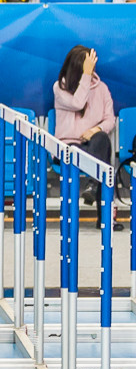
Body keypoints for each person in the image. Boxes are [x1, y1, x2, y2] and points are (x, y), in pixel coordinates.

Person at [54, 45, 123, 231]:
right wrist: (86, 75)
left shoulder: (102, 89)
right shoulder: (60, 87)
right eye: (87, 65)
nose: (91, 68)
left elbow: (110, 119)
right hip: (68, 147)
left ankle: (93, 186)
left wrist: (95, 130)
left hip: (92, 147)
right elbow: (78, 103)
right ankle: (104, 213)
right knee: (98, 161)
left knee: (102, 139)